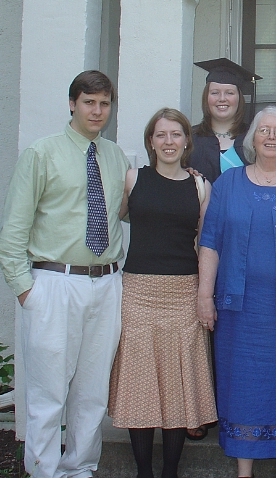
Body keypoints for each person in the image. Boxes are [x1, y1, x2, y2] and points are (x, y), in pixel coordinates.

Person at [0, 70, 130, 478]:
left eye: (104, 103)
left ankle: (81, 469)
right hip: (53, 284)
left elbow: (122, 212)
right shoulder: (42, 153)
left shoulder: (114, 156)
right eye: (89, 102)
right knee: (48, 392)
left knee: (92, 393)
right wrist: (26, 290)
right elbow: (13, 230)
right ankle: (43, 471)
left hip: (106, 284)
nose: (97, 110)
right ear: (72, 103)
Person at [196, 106, 276, 478]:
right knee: (243, 386)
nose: (271, 137)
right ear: (251, 139)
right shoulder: (228, 184)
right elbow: (210, 243)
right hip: (240, 311)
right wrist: (204, 296)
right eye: (263, 130)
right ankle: (244, 470)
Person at [108, 108, 217, 478]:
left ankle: (170, 470)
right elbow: (117, 218)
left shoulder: (201, 186)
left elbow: (207, 246)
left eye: (176, 135)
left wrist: (205, 294)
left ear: (187, 141)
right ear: (150, 141)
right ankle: (144, 471)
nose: (168, 142)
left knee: (177, 384)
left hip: (183, 293)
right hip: (137, 291)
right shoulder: (132, 179)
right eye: (161, 135)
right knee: (140, 380)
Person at [188, 58, 262, 183]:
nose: (222, 99)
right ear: (206, 97)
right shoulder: (190, 138)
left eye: (229, 93)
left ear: (239, 98)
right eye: (215, 93)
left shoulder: (254, 138)